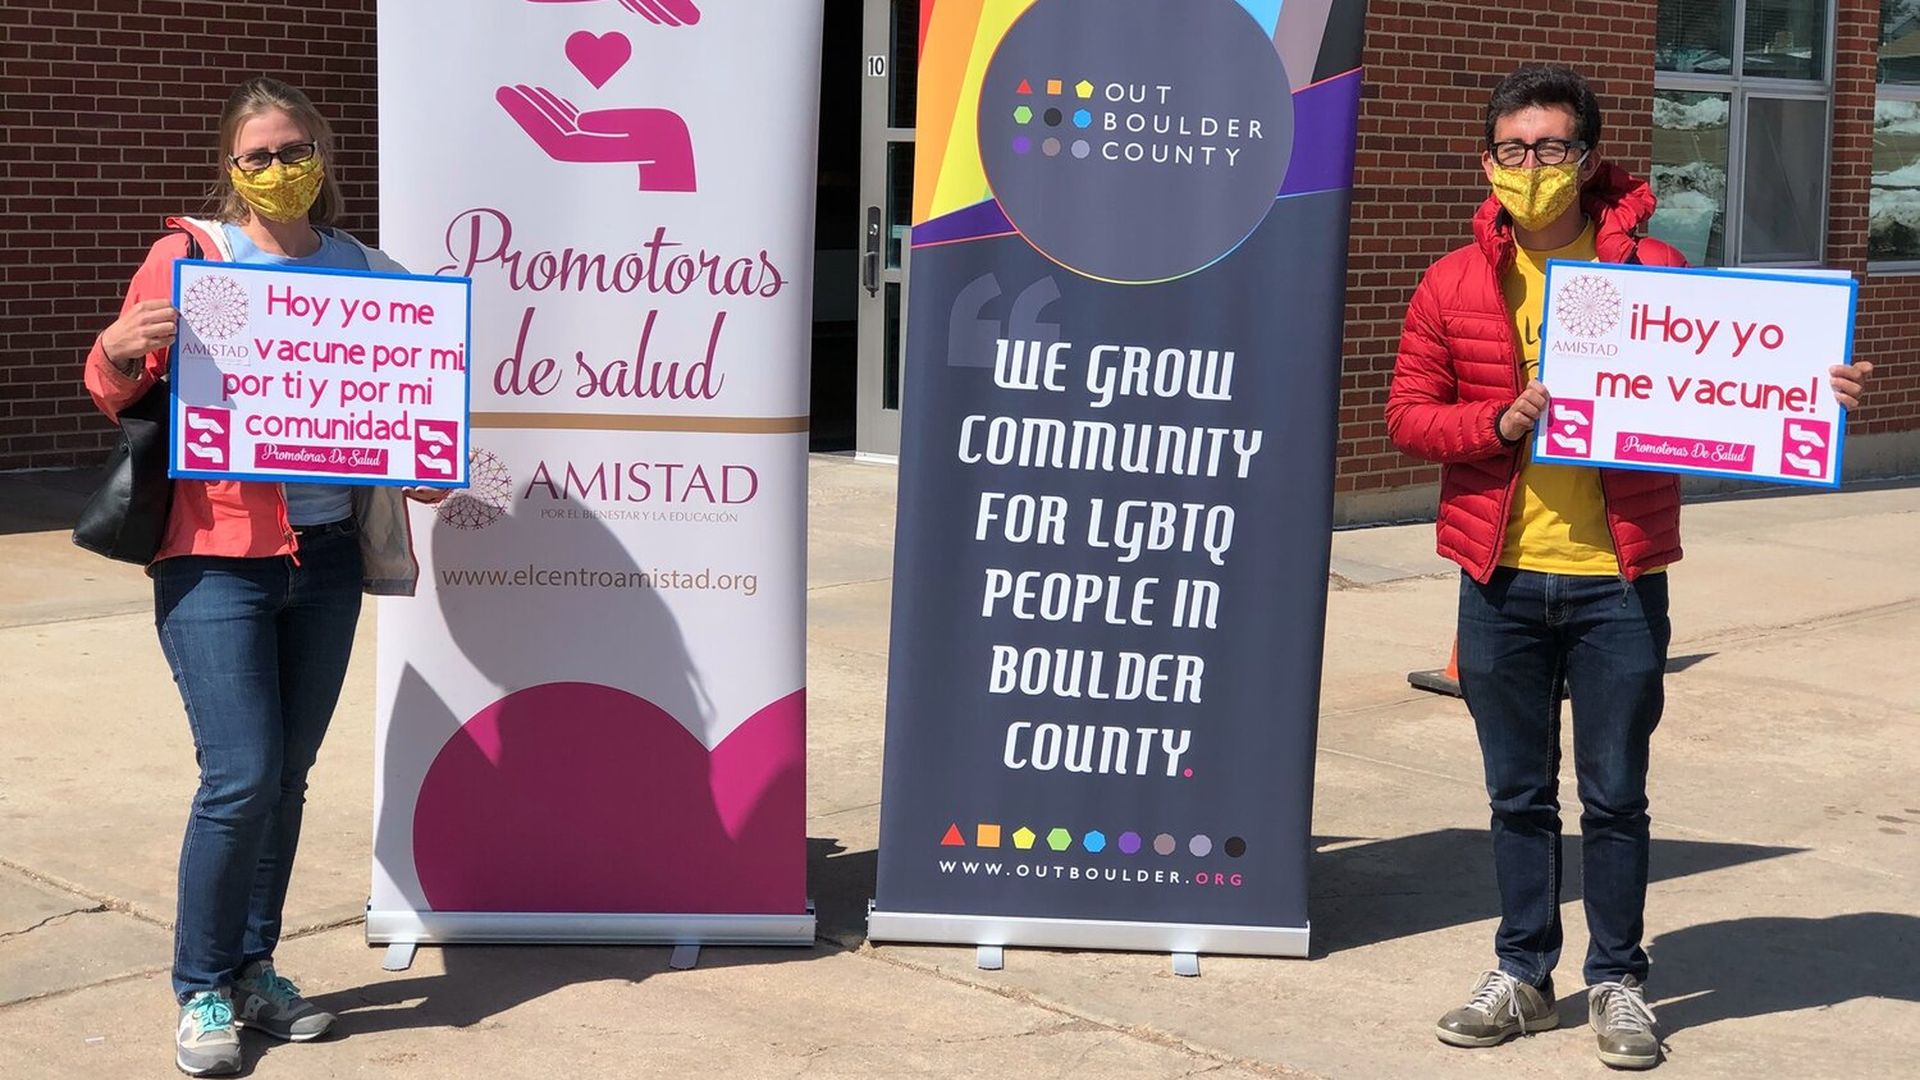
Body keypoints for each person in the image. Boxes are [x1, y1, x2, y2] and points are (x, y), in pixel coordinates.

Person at [1385, 65, 1871, 1071]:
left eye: (1552, 148)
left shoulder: (1653, 268)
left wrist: (1808, 382)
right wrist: (1496, 419)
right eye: (1513, 150)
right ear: (1489, 162)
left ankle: (1617, 980)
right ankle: (1523, 972)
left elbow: (1727, 372)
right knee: (1517, 795)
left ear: (1588, 158)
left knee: (1615, 794)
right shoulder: (1452, 281)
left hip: (1618, 581)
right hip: (1500, 580)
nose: (1532, 167)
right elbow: (1405, 415)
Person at [84, 77, 444, 1077]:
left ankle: (254, 969)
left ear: (323, 155)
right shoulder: (190, 256)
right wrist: (117, 352)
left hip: (326, 559)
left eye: (293, 151)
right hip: (214, 558)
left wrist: (424, 467)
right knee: (239, 774)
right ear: (230, 170)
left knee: (286, 780)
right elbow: (109, 382)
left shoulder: (371, 270)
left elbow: (406, 413)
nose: (278, 171)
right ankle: (201, 985)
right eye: (257, 157)